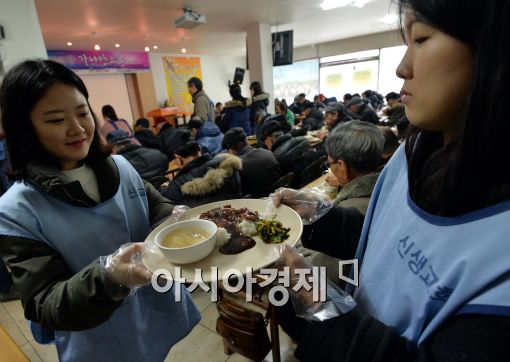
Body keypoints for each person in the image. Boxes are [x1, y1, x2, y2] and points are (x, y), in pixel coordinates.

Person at [272, 0, 510, 360]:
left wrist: (312, 295)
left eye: (422, 38)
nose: (402, 67)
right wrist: (315, 216)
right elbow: (388, 240)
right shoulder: (413, 151)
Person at [0, 60, 200, 360]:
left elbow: (155, 206)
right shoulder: (16, 209)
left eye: (82, 113)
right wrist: (107, 278)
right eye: (56, 120)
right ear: (24, 128)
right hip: (100, 338)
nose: (78, 128)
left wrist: (175, 220)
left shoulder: (119, 166)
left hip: (157, 309)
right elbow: (44, 301)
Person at [160, 141, 242, 207]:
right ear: (199, 150)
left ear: (178, 158)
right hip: (234, 209)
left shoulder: (178, 183)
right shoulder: (226, 164)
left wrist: (164, 189)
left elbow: (170, 202)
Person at [222, 127, 281, 198]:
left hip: (258, 203)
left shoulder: (237, 166)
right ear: (246, 141)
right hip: (277, 196)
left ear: (231, 149)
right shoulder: (267, 152)